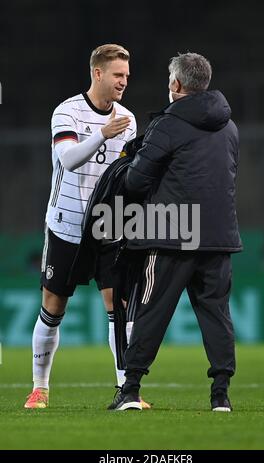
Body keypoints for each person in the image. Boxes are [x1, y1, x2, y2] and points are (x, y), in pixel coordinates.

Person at [110, 52, 242, 411]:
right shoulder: (229, 127)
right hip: (218, 236)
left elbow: (136, 182)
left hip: (170, 235)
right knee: (216, 314)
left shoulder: (167, 125)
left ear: (176, 84)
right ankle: (221, 396)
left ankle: (131, 389)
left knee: (150, 311)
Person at [24, 43, 150, 409]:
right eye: (117, 75)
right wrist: (103, 134)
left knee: (119, 304)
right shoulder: (68, 112)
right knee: (53, 305)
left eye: (126, 75)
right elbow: (69, 158)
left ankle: (126, 391)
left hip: (107, 227)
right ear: (98, 73)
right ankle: (40, 388)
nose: (123, 81)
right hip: (66, 224)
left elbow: (123, 174)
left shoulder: (127, 119)